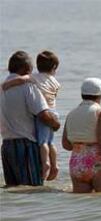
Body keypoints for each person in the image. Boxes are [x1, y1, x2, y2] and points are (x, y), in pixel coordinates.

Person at [0, 51, 60, 187]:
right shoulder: (28, 87)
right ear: (26, 69)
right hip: (26, 146)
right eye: (31, 68)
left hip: (7, 147)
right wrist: (56, 124)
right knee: (32, 190)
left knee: (13, 190)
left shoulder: (2, 88)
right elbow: (44, 115)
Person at [62, 78, 101, 193]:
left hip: (76, 163)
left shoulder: (72, 113)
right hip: (97, 162)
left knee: (81, 205)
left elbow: (66, 145)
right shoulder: (100, 112)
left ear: (82, 94)